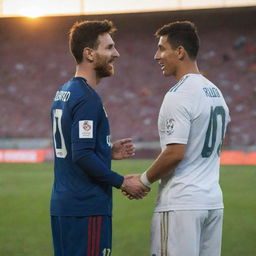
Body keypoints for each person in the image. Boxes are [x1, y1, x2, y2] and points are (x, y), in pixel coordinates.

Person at [50, 20, 148, 256]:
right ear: (89, 54)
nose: (116, 53)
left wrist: (105, 150)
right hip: (86, 207)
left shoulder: (65, 91)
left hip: (64, 205)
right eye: (109, 47)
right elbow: (82, 154)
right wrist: (122, 181)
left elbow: (77, 146)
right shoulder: (87, 97)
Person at [139, 21, 231, 256]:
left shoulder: (178, 95)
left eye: (161, 48)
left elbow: (175, 152)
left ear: (180, 51)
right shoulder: (216, 93)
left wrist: (143, 180)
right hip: (212, 201)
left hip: (182, 203)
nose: (156, 56)